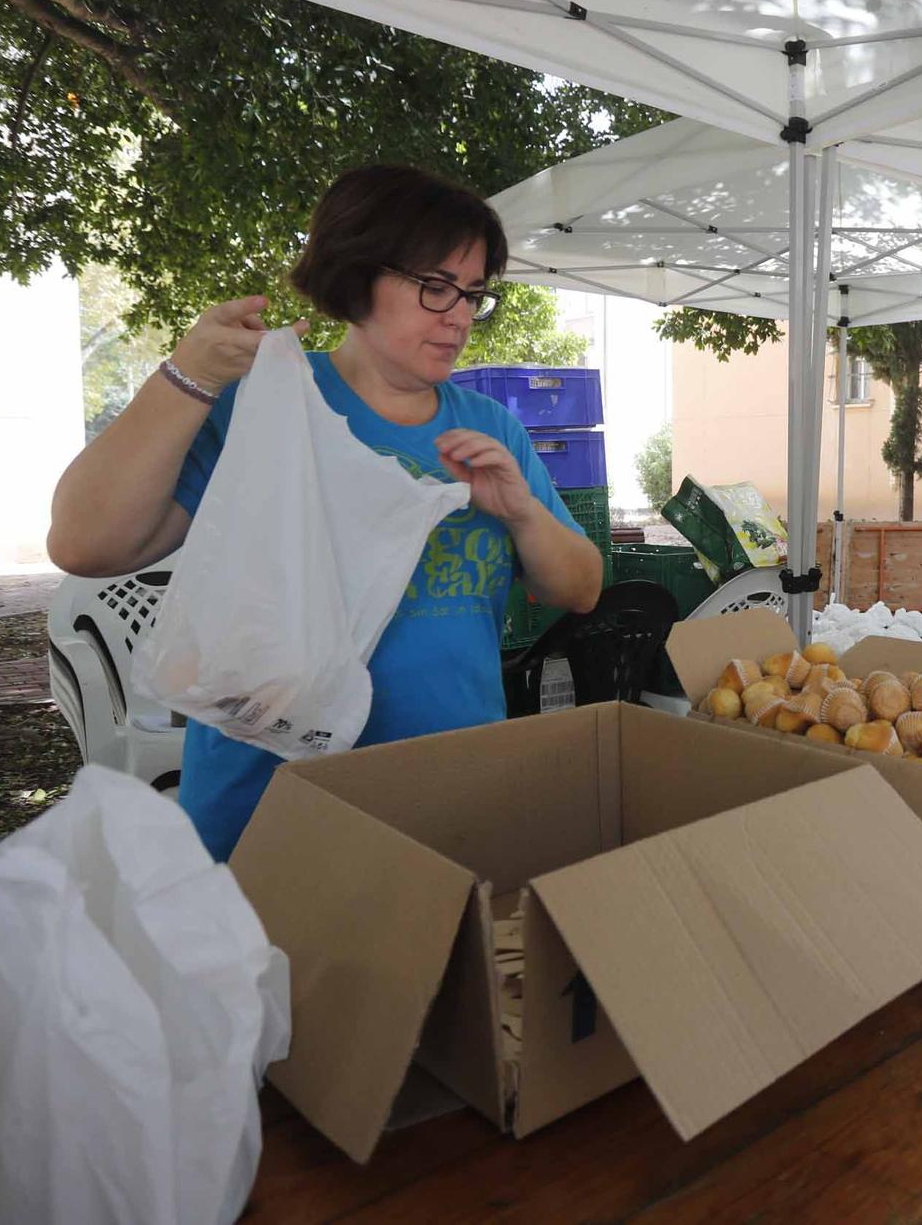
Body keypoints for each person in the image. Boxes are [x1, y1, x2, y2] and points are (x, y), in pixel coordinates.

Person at [47, 164, 603, 859]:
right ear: (357, 274)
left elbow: (580, 587)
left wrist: (522, 511)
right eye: (436, 287)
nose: (459, 314)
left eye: (473, 293)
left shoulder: (492, 429)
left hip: (449, 802)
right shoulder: (268, 406)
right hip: (272, 810)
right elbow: (83, 541)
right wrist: (189, 375)